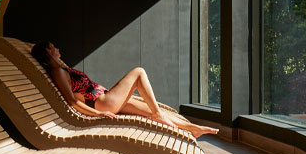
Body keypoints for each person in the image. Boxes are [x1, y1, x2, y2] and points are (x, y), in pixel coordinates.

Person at [31, 41, 218, 138]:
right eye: (53, 47)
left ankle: (193, 129)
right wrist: (98, 115)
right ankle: (160, 115)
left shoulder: (61, 68)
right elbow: (72, 100)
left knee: (152, 111)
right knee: (139, 72)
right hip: (102, 104)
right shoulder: (57, 71)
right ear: (48, 52)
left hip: (105, 100)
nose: (57, 48)